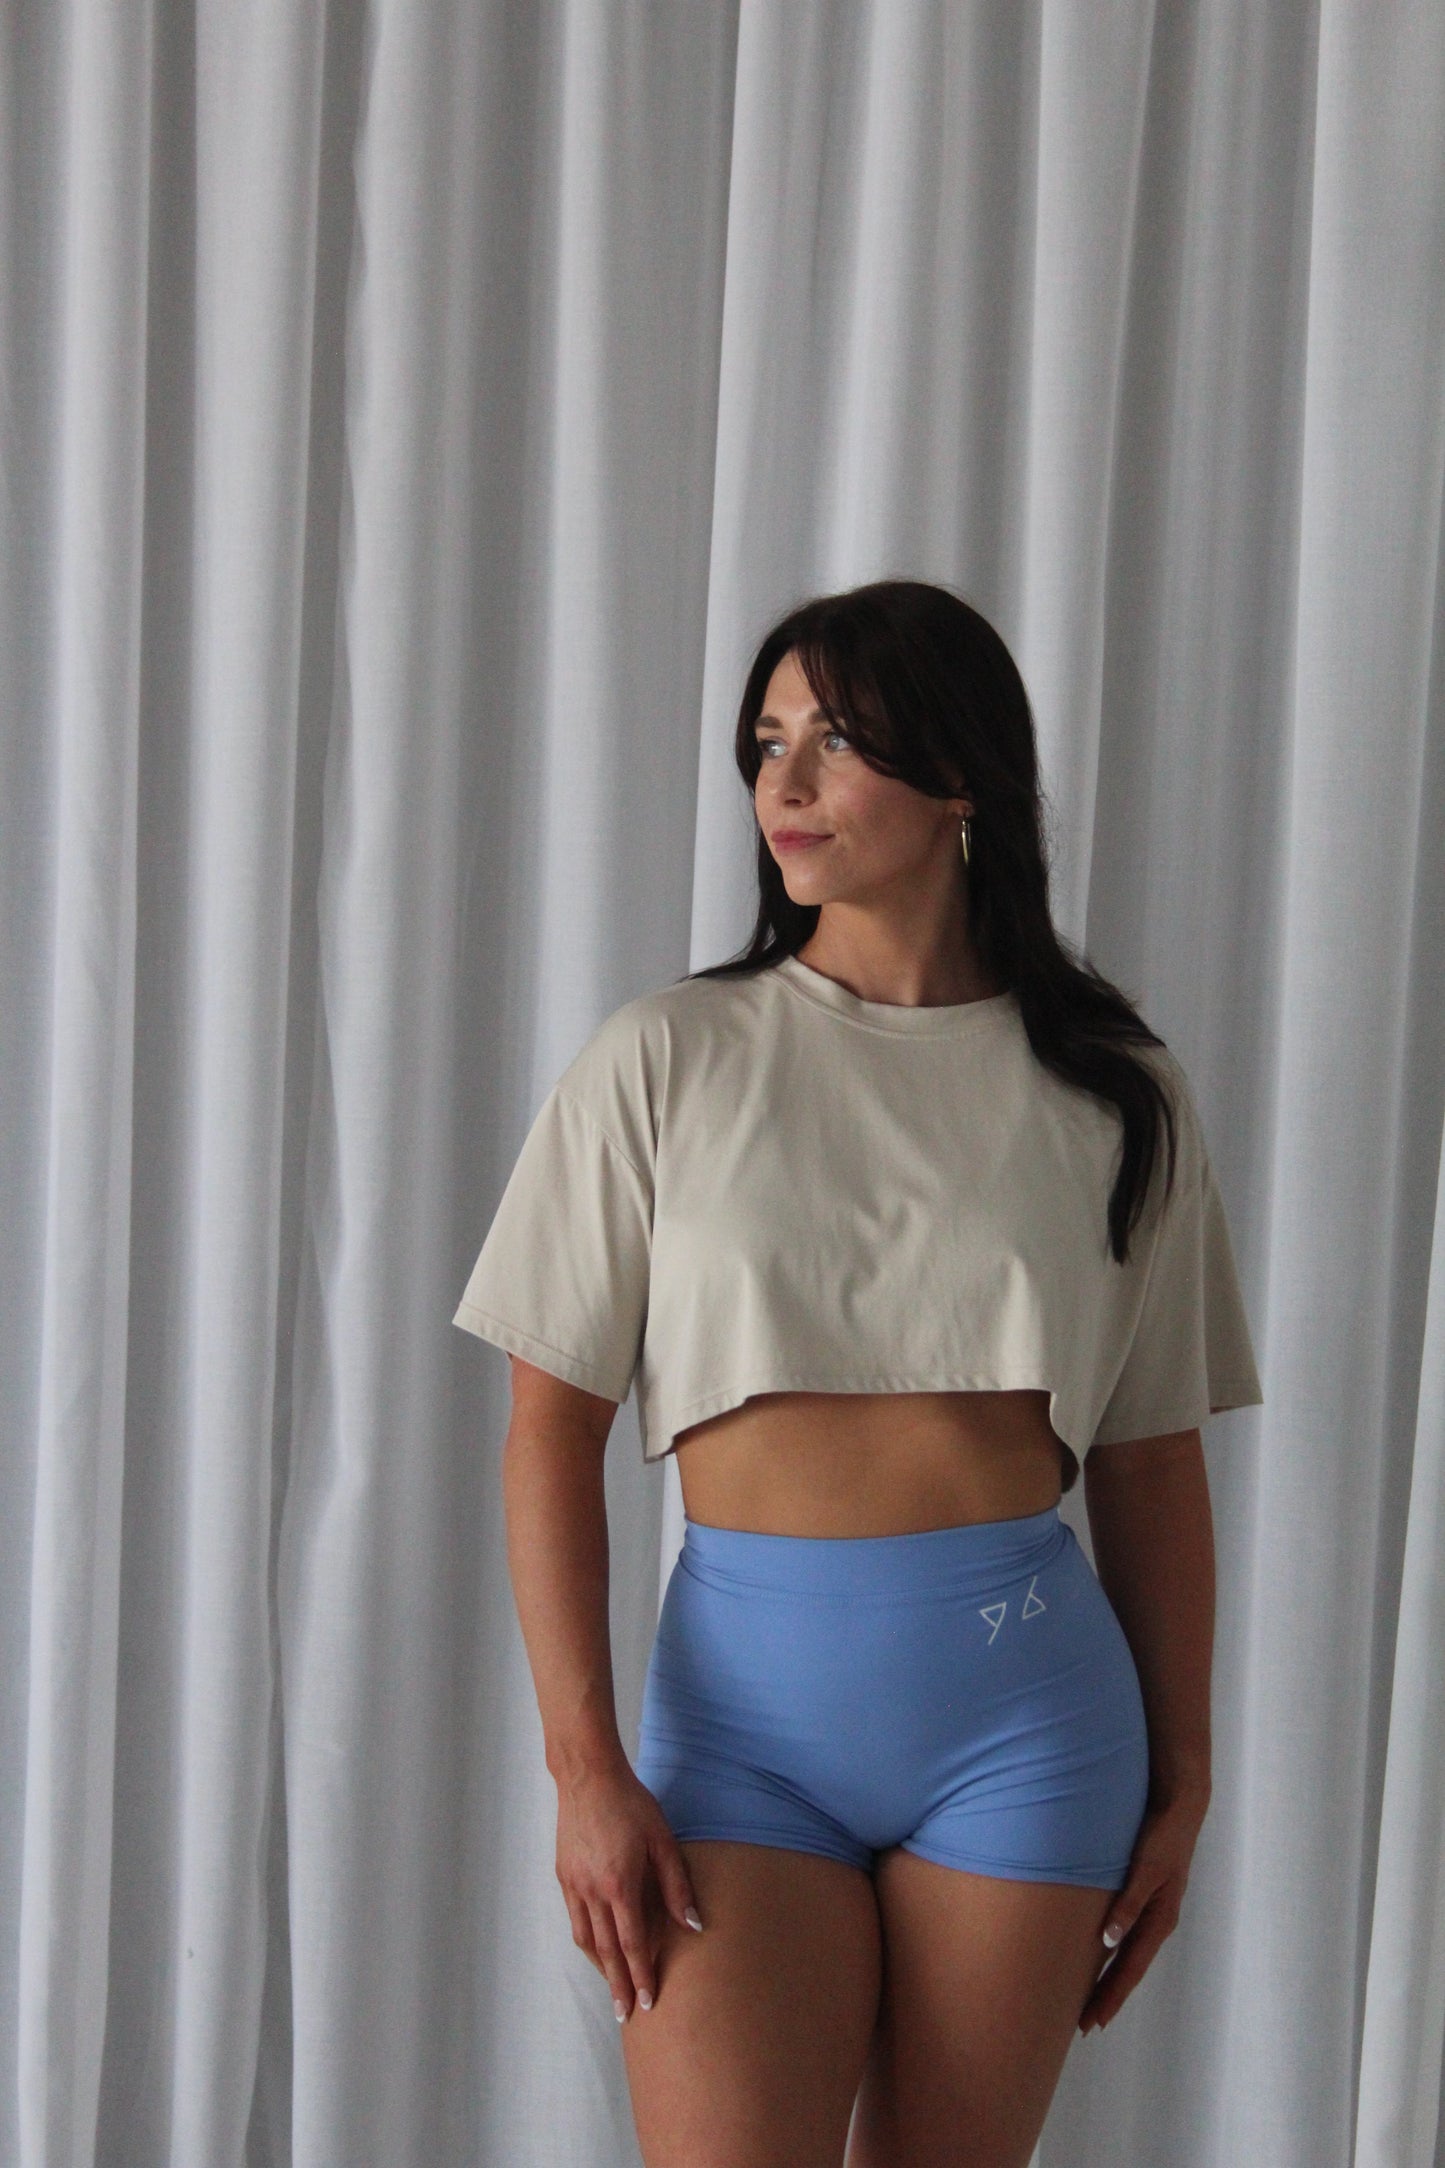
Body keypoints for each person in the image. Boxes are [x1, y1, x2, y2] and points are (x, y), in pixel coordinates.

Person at [454, 578, 1263, 2168]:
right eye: (767, 742)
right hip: (741, 1738)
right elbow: (546, 1435)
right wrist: (584, 1771)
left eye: (835, 739)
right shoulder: (666, 1059)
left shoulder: (1113, 1092)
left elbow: (1151, 1457)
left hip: (1029, 1723)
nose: (787, 781)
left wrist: (1187, 1772)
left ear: (960, 775)